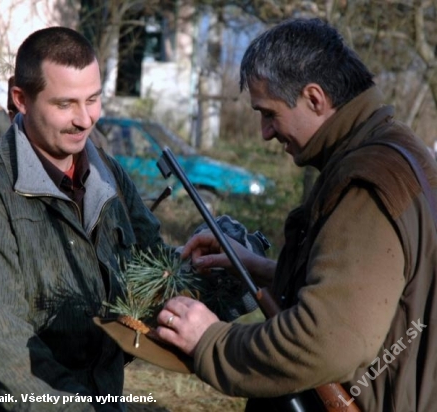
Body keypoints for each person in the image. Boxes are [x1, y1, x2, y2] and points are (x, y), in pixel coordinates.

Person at [155, 18, 437, 412]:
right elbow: (380, 289)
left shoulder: (366, 183)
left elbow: (324, 343)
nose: (265, 133)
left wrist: (210, 341)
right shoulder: (402, 148)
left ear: (315, 98)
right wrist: (261, 268)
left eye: (269, 114)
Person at [0, 27, 164, 411]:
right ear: (21, 99)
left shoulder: (106, 172)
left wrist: (210, 275)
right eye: (65, 104)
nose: (85, 119)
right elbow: (5, 352)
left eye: (92, 99)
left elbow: (152, 267)